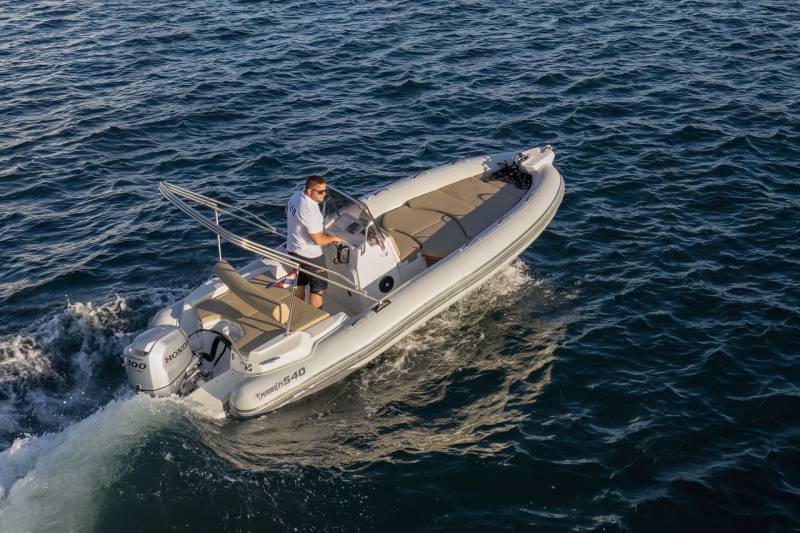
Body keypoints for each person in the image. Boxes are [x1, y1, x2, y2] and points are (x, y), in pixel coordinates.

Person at [286, 175, 341, 309]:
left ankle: (298, 310)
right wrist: (333, 238)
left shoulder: (296, 196)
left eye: (325, 191)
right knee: (317, 289)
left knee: (300, 283)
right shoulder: (310, 211)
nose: (324, 194)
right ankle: (317, 315)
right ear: (310, 191)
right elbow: (318, 240)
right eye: (320, 192)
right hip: (310, 256)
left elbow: (289, 214)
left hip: (293, 249)